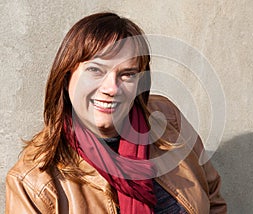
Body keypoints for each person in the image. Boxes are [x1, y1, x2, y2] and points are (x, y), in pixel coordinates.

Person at [5, 12, 227, 214]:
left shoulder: (168, 119)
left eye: (127, 74)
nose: (111, 88)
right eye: (95, 70)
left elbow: (213, 200)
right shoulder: (32, 182)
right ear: (66, 78)